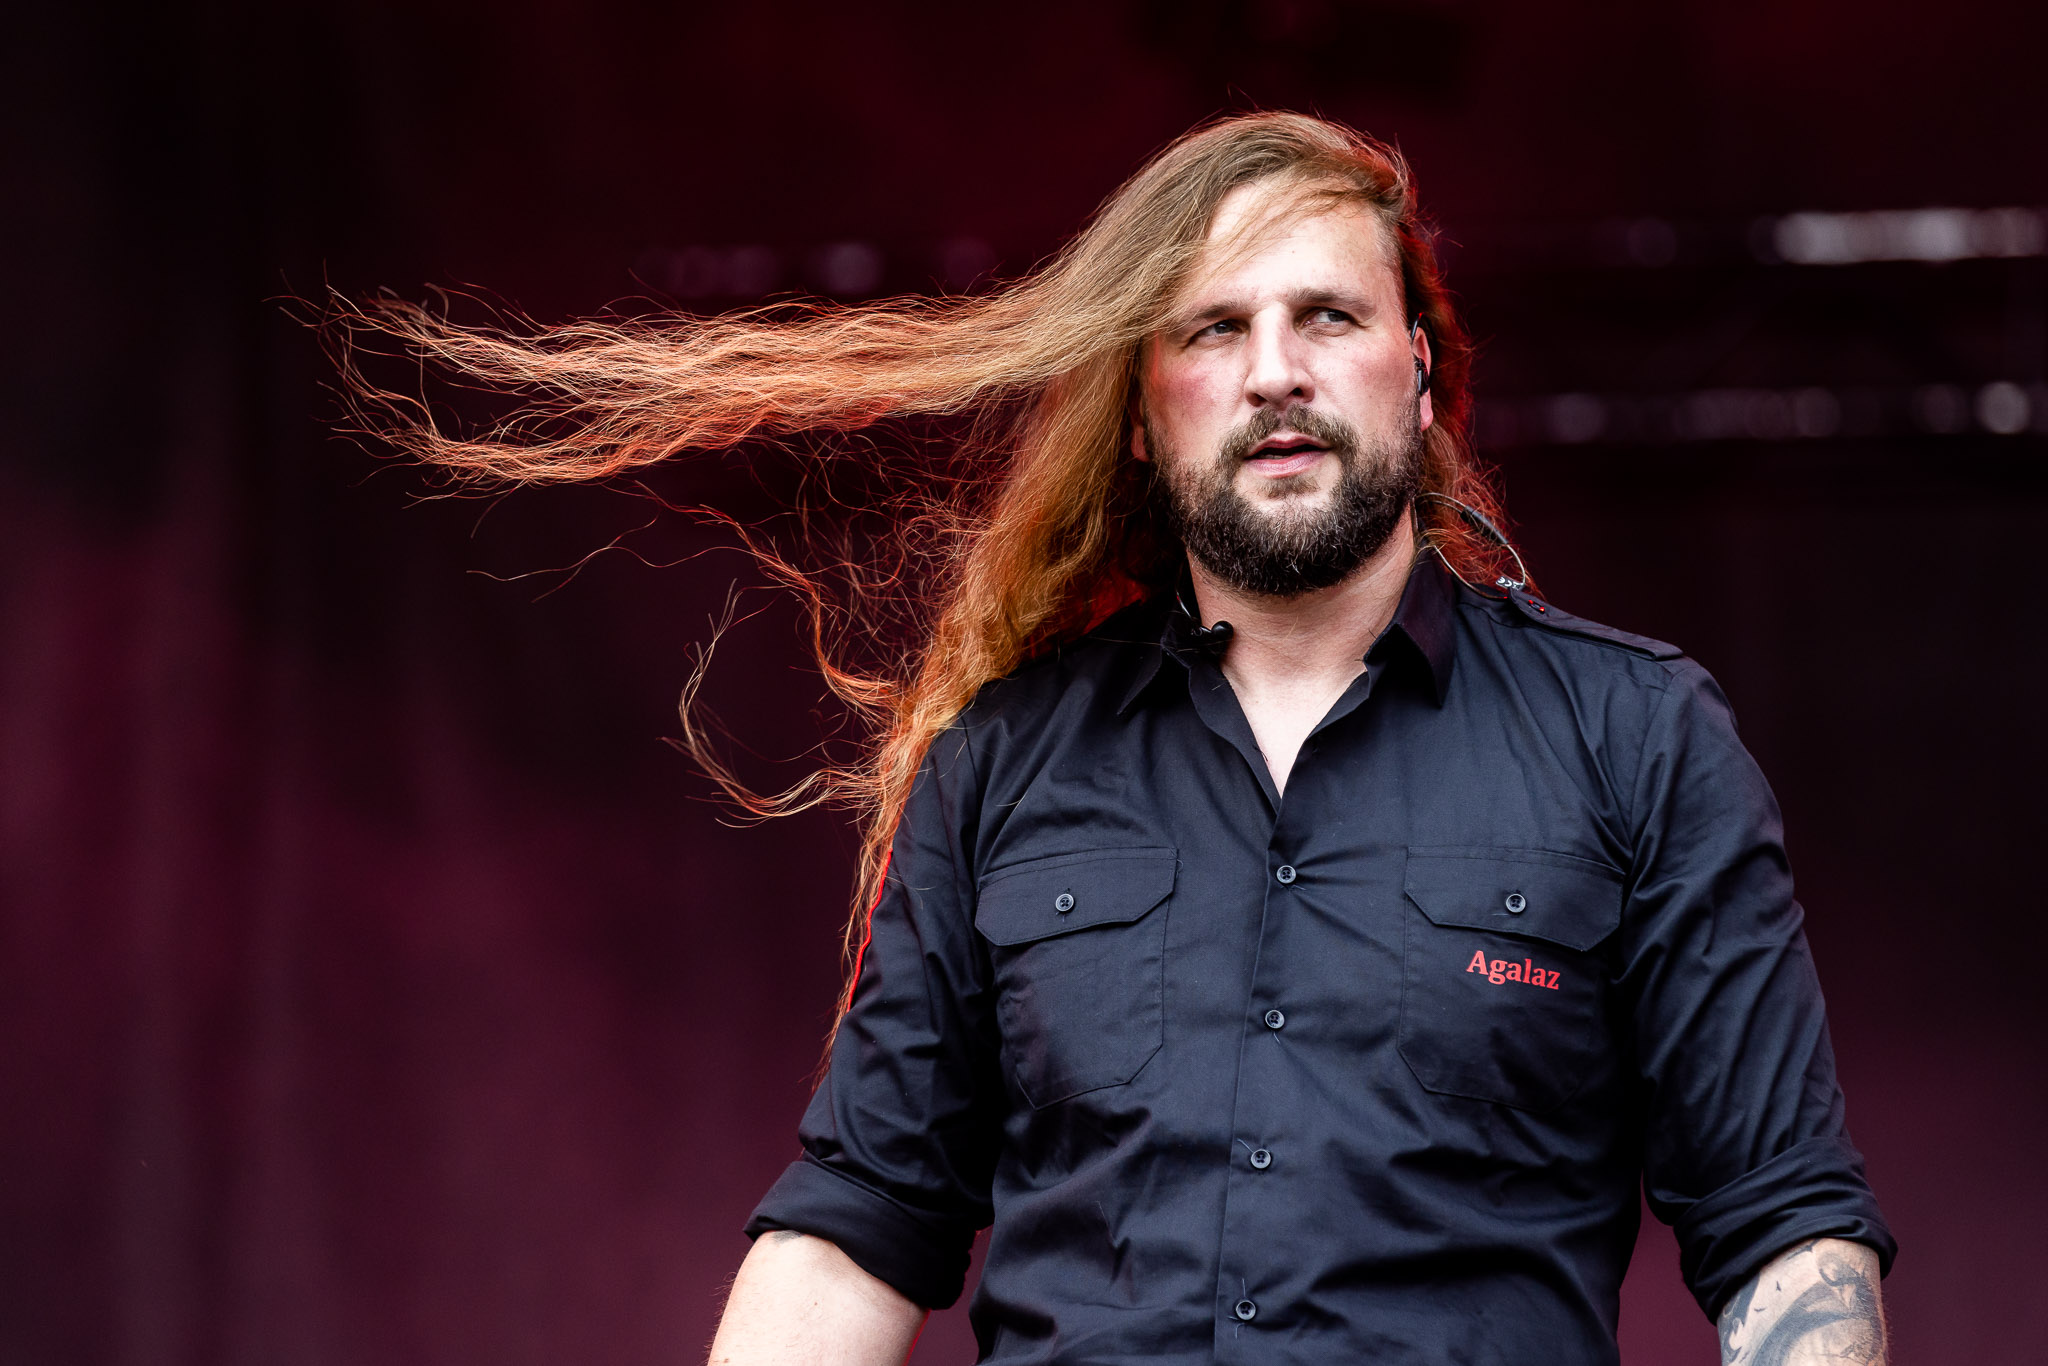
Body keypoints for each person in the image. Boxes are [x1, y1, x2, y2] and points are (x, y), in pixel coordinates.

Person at [334, 113, 1893, 1364]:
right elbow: (859, 1218)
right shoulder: (1006, 762)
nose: (1274, 367)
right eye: (1213, 327)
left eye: (1328, 313)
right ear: (1144, 415)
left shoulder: (1638, 738)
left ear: (1419, 374)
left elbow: (1784, 1228)